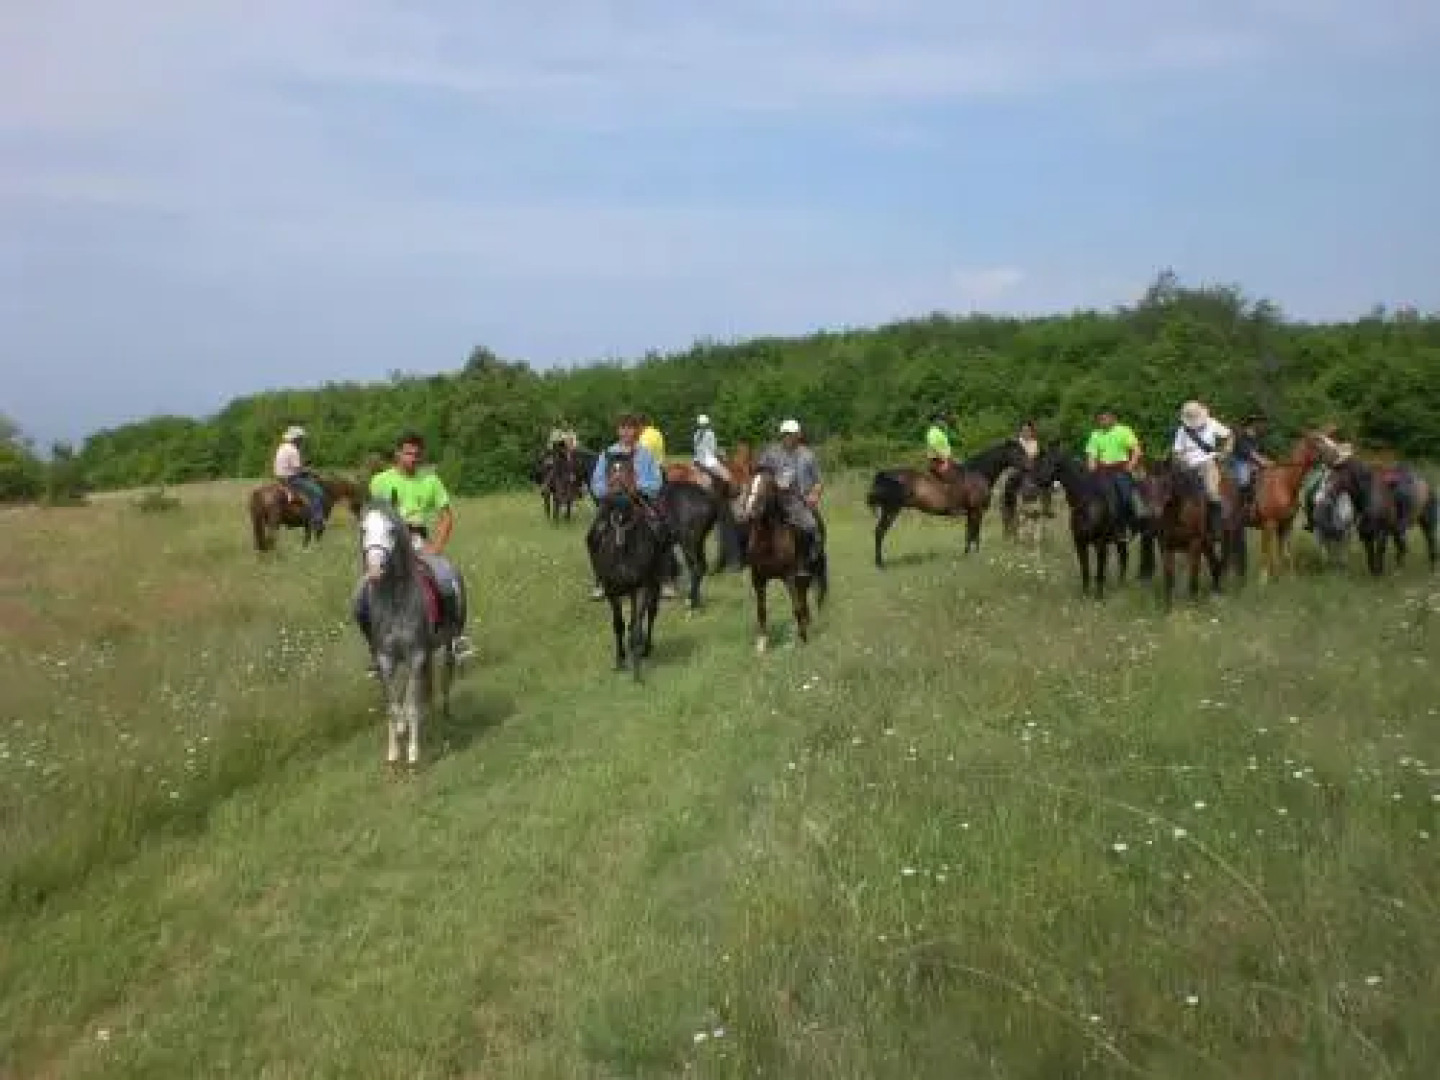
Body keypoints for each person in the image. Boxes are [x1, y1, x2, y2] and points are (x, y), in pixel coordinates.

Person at [355, 431, 474, 670]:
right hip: (388, 545)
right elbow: (370, 516)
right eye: (408, 453)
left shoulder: (430, 480)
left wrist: (436, 547)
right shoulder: (380, 481)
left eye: (417, 454)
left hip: (418, 542)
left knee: (448, 577)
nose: (413, 458)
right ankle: (375, 650)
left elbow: (446, 517)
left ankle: (454, 638)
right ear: (398, 453)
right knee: (360, 599)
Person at [588, 413, 675, 601]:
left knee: (662, 529)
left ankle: (665, 577)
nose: (626, 432)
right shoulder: (607, 453)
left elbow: (656, 481)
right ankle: (600, 580)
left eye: (630, 428)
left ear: (637, 431)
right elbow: (596, 482)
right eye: (623, 428)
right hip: (612, 501)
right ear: (617, 430)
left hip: (640, 499)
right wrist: (607, 490)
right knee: (593, 534)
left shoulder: (645, 453)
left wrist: (638, 487)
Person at [756, 418, 826, 576]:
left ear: (798, 435)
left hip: (800, 502)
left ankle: (806, 560)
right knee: (750, 518)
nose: (788, 438)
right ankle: (750, 558)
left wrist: (814, 495)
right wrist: (772, 481)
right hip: (775, 499)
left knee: (811, 525)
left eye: (791, 434)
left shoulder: (808, 456)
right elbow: (761, 472)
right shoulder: (771, 453)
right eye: (785, 434)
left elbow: (819, 481)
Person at [1170, 400, 1233, 537]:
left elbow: (1229, 435)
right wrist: (1181, 460)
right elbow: (1176, 451)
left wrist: (1227, 450)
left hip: (1207, 462)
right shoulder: (1182, 430)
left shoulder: (1212, 423)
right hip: (1187, 465)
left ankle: (1216, 525)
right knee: (1169, 490)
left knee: (1211, 491)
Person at [1084, 409, 1148, 520]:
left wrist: (1131, 464)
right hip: (1103, 470)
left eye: (1104, 418)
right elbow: (1091, 455)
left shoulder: (1124, 431)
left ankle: (1140, 517)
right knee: (1093, 495)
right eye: (1100, 419)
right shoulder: (1095, 434)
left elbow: (1136, 450)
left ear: (1113, 418)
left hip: (1121, 469)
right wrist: (1091, 466)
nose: (1102, 421)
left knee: (1127, 495)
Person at [272, 425, 326, 534]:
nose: (302, 441)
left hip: (279, 477)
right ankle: (318, 521)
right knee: (318, 492)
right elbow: (298, 470)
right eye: (301, 439)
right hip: (291, 478)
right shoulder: (293, 450)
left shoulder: (282, 447)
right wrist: (312, 472)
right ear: (296, 438)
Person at [1231, 413, 1274, 515]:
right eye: (1259, 422)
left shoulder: (1258, 437)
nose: (1262, 425)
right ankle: (1241, 507)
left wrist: (1269, 461)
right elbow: (1250, 453)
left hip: (1254, 463)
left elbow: (1261, 452)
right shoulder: (1242, 436)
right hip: (1240, 462)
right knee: (1244, 480)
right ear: (1251, 424)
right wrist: (1263, 461)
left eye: (1262, 422)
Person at [692, 413, 732, 486]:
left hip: (696, 460)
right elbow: (713, 449)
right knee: (727, 475)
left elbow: (696, 448)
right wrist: (722, 454)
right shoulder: (710, 433)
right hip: (708, 460)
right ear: (707, 423)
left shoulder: (696, 434)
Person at [925, 411, 956, 478]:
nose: (943, 422)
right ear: (935, 421)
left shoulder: (939, 432)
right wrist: (945, 460)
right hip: (939, 461)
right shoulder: (933, 432)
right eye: (941, 420)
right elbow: (935, 447)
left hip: (944, 459)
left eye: (943, 420)